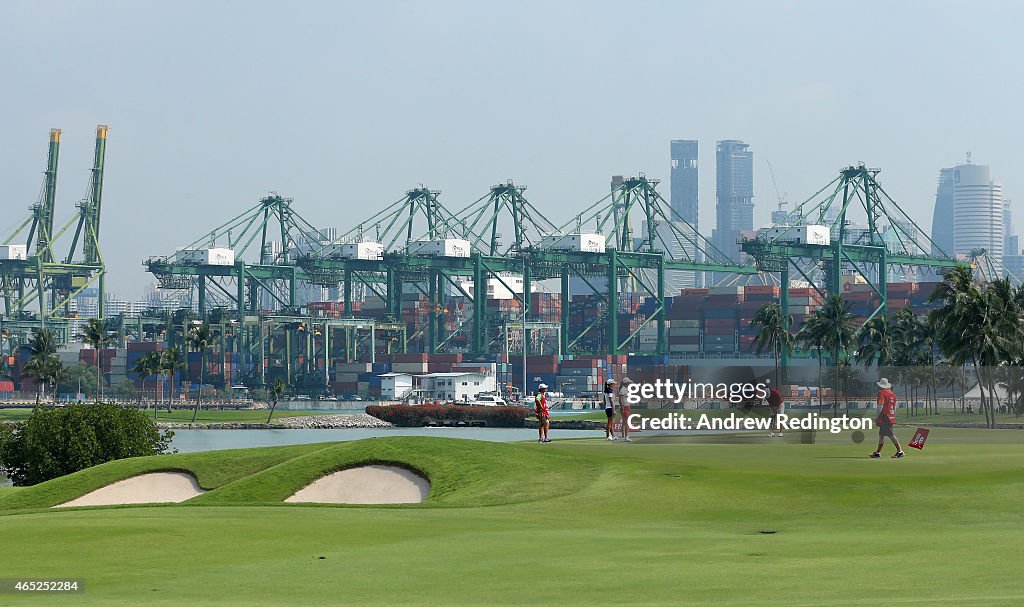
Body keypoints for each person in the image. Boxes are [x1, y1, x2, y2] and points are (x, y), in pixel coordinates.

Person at [870, 378, 905, 459]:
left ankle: (900, 451)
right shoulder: (893, 394)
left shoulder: (882, 393)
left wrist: (877, 417)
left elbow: (880, 406)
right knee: (881, 435)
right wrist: (892, 416)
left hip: (885, 416)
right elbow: (894, 408)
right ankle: (877, 452)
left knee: (891, 435)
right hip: (890, 416)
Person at [618, 377, 634, 442]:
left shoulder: (626, 390)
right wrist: (622, 407)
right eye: (629, 382)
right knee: (627, 422)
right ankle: (626, 436)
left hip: (627, 406)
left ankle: (623, 436)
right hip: (625, 406)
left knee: (624, 422)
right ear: (626, 383)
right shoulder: (622, 390)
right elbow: (620, 399)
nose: (630, 383)